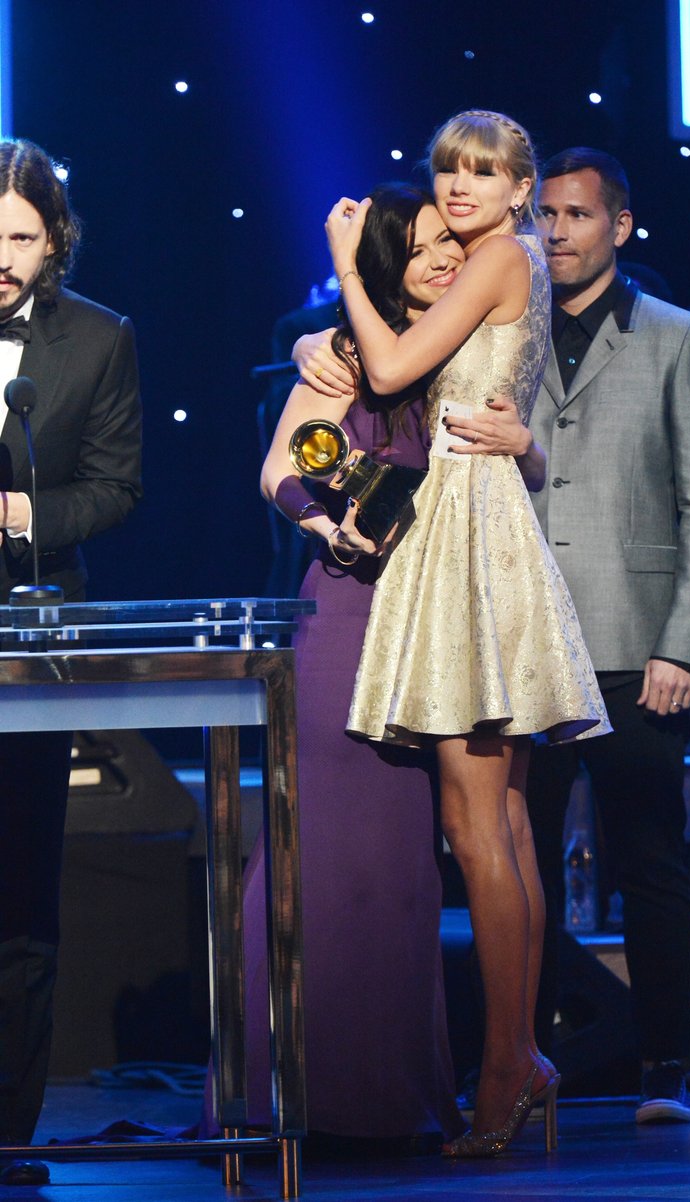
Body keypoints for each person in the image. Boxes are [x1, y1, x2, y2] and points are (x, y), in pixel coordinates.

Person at [325, 111, 610, 1159]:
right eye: (447, 166)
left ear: (518, 185)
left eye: (482, 171)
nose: (458, 185)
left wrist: (344, 267)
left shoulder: (499, 256)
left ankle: (505, 1065)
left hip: (468, 528)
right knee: (507, 821)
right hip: (482, 515)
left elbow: (394, 368)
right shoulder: (517, 259)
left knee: (475, 821)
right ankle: (518, 1053)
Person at [205, 184, 474, 1152]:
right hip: (347, 616)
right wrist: (325, 522)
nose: (447, 259)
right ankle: (279, 1094)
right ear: (386, 261)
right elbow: (279, 465)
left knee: (401, 865)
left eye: (453, 244)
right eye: (428, 247)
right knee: (311, 852)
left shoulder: (463, 342)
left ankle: (387, 1095)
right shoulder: (340, 354)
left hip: (432, 620)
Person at [523, 147, 690, 1125]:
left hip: (633, 643)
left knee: (646, 857)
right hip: (523, 639)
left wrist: (679, 644)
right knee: (513, 863)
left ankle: (661, 1063)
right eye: (546, 215)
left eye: (574, 213)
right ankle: (516, 1064)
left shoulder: (676, 336)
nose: (556, 230)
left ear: (620, 223)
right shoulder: (503, 331)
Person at [0, 140, 142, 1186]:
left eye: (20, 235)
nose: (1, 257)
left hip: (33, 642)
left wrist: (23, 516)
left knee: (18, 892)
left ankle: (10, 1128)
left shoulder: (99, 340)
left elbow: (115, 486)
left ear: (54, 241)